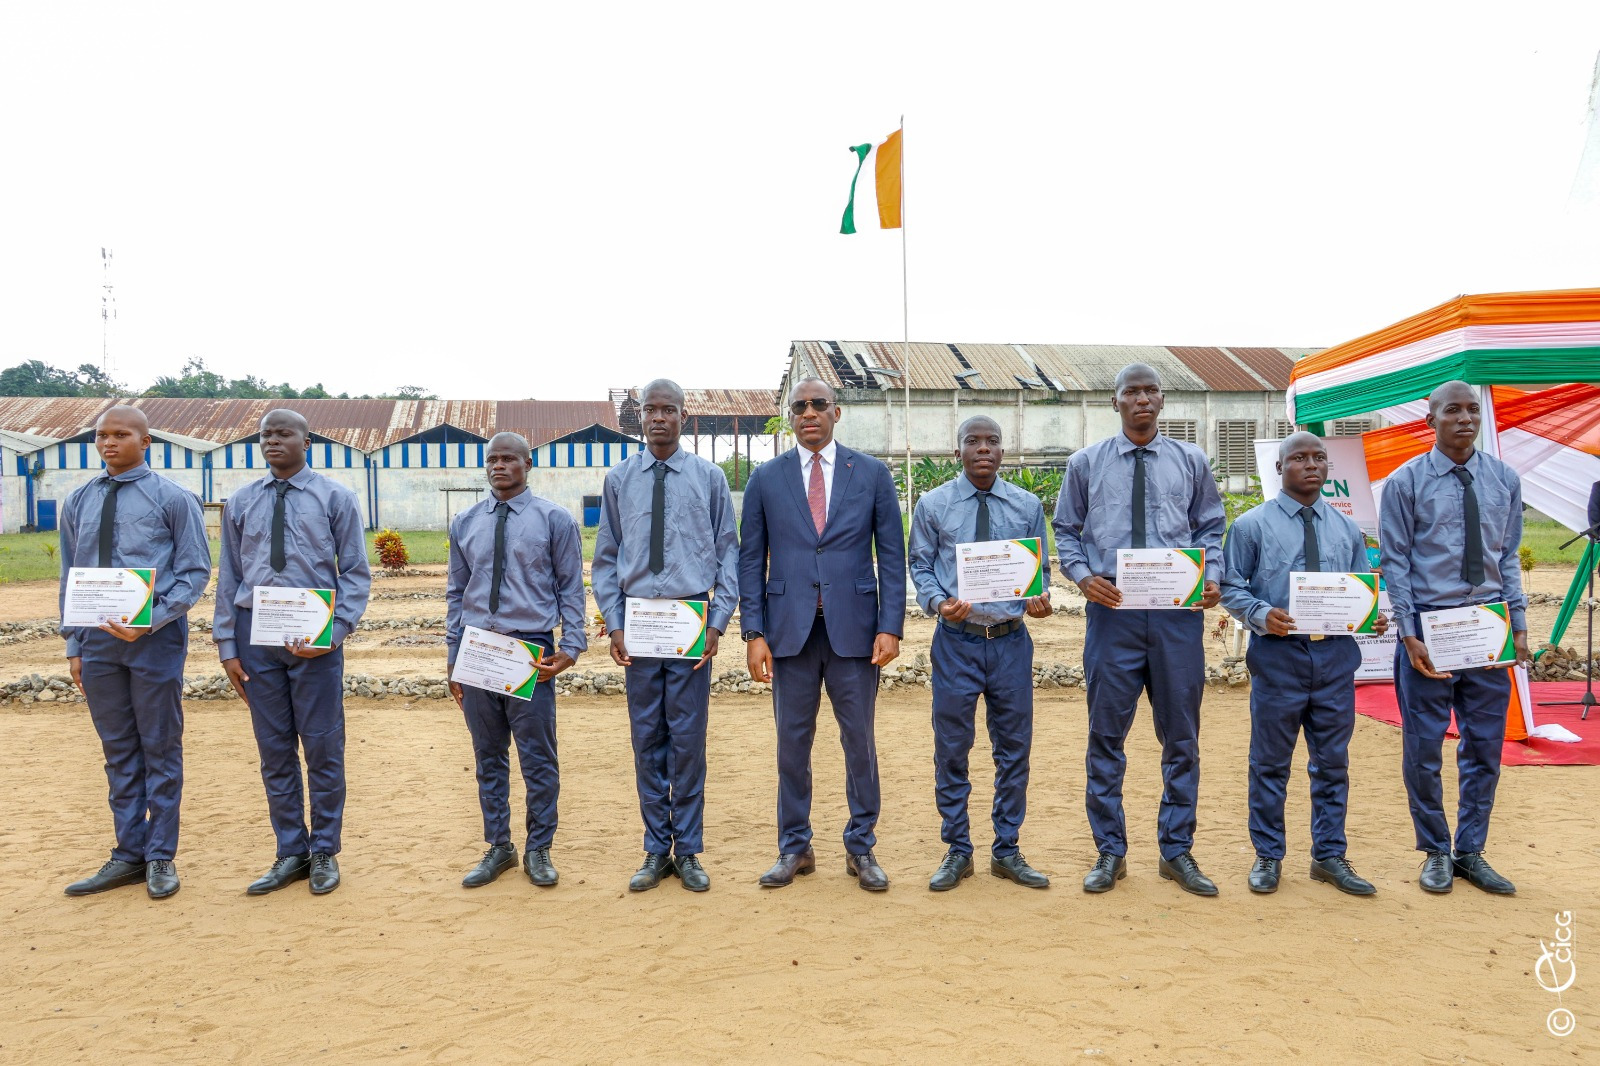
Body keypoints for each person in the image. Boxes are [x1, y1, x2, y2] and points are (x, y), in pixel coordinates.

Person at [1053, 363, 1225, 896]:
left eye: (1151, 391)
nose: (1143, 400)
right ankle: (1110, 852)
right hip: (1113, 617)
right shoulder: (1085, 464)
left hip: (1177, 617)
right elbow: (1065, 530)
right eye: (1133, 392)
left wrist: (1212, 576)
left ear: (1163, 400)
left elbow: (1210, 527)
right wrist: (1083, 578)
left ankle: (1177, 852)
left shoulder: (1191, 461)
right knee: (1106, 737)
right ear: (1116, 402)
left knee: (1181, 739)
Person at [739, 377, 905, 891]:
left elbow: (892, 556)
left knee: (859, 742)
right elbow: (750, 560)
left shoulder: (872, 474)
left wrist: (890, 626)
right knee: (792, 744)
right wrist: (753, 631)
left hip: (855, 632)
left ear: (837, 412)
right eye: (799, 407)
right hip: (789, 632)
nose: (808, 413)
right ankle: (795, 847)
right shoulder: (766, 478)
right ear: (791, 417)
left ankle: (861, 846)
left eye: (818, 405)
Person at [1220, 432, 1387, 896]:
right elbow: (1231, 586)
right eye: (1299, 458)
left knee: (1332, 763)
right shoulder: (1251, 526)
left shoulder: (1345, 529)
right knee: (1270, 763)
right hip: (1279, 658)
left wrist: (1369, 617)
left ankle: (1329, 856)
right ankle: (1268, 856)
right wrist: (1259, 615)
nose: (1311, 465)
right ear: (1279, 468)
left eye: (1319, 458)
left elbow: (1359, 589)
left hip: (1334, 659)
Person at [1380, 380, 1529, 896]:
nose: (1465, 418)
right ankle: (1436, 851)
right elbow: (1394, 563)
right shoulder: (1405, 483)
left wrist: (1521, 626)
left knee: (1484, 747)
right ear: (1431, 421)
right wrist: (1409, 632)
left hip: (1488, 631)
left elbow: (1506, 558)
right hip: (1430, 632)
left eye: (1471, 410)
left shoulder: (1503, 479)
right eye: (1452, 410)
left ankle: (1471, 851)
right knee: (1423, 749)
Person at [215, 409, 371, 896]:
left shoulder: (336, 498)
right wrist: (227, 645)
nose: (272, 441)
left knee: (323, 746)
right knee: (274, 749)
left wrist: (334, 632)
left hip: (315, 640)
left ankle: (324, 850)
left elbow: (356, 574)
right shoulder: (240, 501)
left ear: (308, 442)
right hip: (255, 637)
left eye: (283, 434)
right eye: (265, 435)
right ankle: (290, 852)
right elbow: (230, 578)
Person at [592, 379, 738, 893]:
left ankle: (690, 850)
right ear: (640, 418)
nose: (659, 418)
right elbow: (606, 560)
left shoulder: (709, 478)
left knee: (689, 743)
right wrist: (613, 624)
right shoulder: (619, 480)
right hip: (639, 633)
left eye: (668, 409)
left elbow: (729, 555)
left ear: (683, 416)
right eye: (650, 409)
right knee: (647, 741)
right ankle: (656, 850)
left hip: (689, 631)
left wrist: (717, 622)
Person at [59, 405, 211, 900]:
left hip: (154, 640)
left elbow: (194, 574)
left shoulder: (173, 499)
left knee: (159, 747)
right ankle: (128, 853)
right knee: (118, 750)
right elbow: (70, 575)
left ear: (146, 442)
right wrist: (74, 643)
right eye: (101, 436)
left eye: (121, 434)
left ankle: (161, 856)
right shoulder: (78, 500)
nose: (109, 443)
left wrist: (151, 619)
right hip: (98, 643)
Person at [908, 416, 1053, 892]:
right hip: (957, 642)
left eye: (992, 441)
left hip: (1011, 641)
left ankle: (1007, 849)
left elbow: (1040, 571)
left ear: (1003, 453)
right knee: (952, 748)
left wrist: (1040, 599)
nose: (983, 448)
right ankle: (958, 850)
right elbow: (921, 563)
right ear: (958, 453)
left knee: (1014, 750)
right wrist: (937, 603)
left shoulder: (1027, 506)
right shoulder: (933, 505)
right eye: (973, 441)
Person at [446, 432, 587, 889]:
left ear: (528, 464)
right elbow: (456, 592)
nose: (499, 466)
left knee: (538, 758)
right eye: (492, 460)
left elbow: (571, 587)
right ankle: (499, 847)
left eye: (509, 459)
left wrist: (571, 646)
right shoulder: (465, 522)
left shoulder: (554, 520)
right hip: (479, 650)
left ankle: (539, 849)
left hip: (529, 650)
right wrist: (453, 656)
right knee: (488, 755)